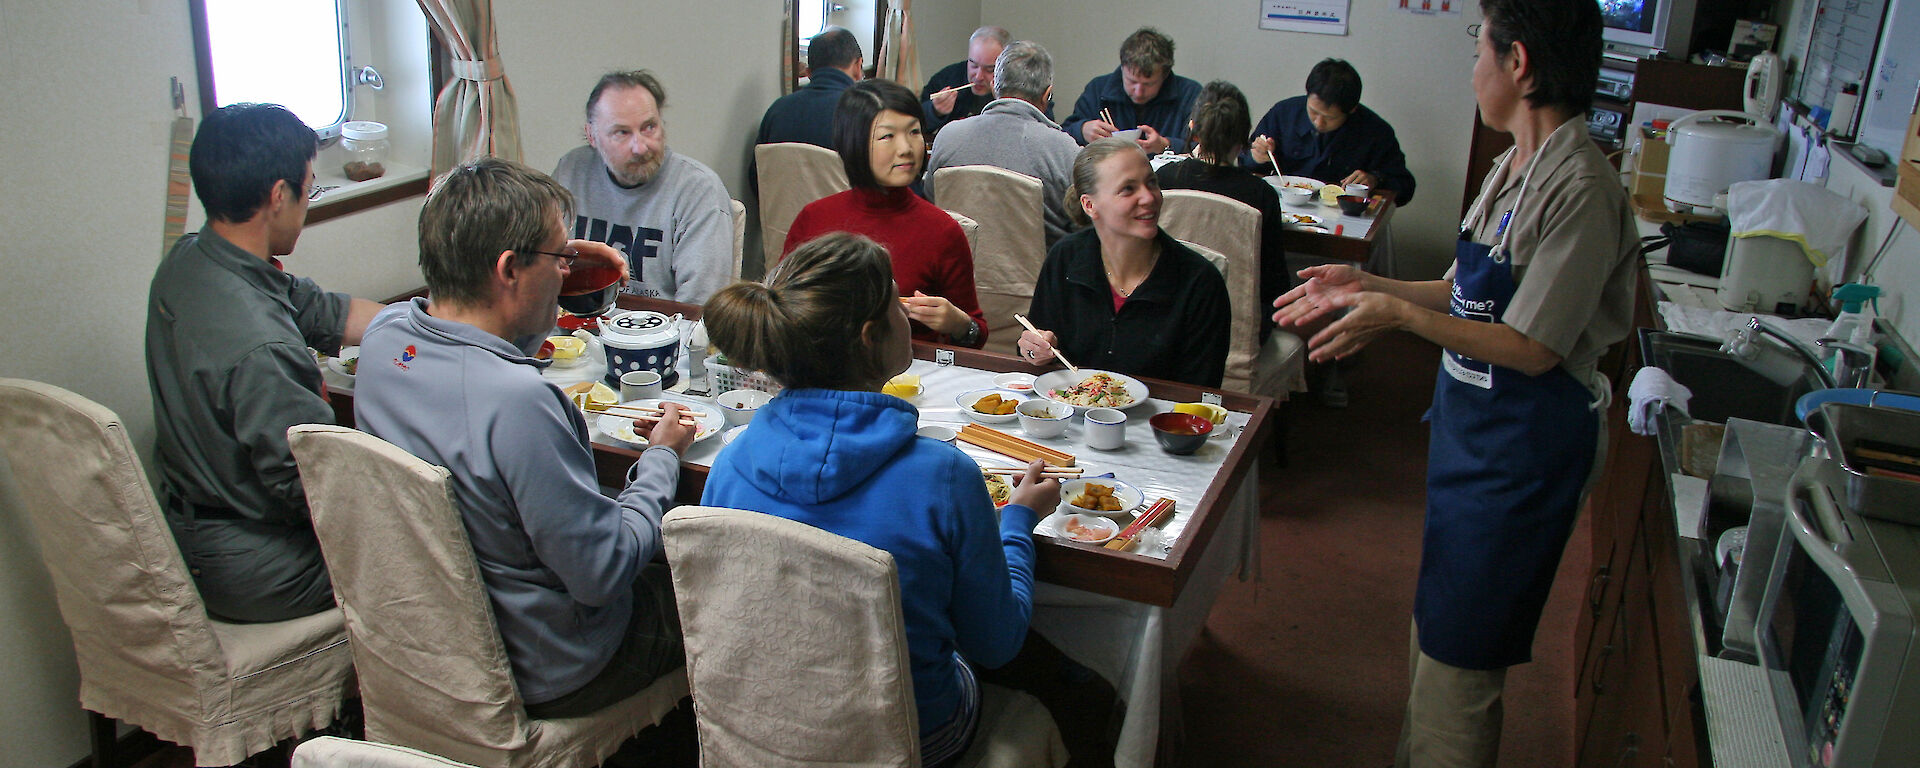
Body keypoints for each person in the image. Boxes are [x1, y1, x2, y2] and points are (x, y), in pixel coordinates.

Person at [1270, 2, 1636, 764]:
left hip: (1523, 451)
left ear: (1519, 63)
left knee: (1464, 660)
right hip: (1474, 435)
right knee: (1438, 636)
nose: (1474, 69)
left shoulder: (1582, 188)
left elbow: (1532, 345)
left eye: (1481, 49)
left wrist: (1395, 319)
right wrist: (1369, 283)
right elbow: (1464, 292)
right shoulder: (1512, 164)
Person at [701, 231, 1058, 768]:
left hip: (767, 728)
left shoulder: (731, 463)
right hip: (910, 740)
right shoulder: (945, 477)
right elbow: (998, 643)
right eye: (895, 300)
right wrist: (1017, 523)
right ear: (871, 336)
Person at [355, 157, 694, 719]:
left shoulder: (386, 340)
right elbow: (603, 572)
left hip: (430, 642)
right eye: (560, 258)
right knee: (710, 583)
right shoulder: (517, 402)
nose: (567, 271)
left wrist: (558, 255)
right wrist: (660, 459)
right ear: (509, 267)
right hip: (551, 665)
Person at [145, 103, 384, 623]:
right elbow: (317, 487)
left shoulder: (190, 259)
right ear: (279, 196)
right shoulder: (262, 349)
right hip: (259, 564)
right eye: (310, 188)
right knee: (445, 546)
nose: (308, 203)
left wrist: (434, 324)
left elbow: (317, 309)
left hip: (190, 529)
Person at [784, 79, 987, 348]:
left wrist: (959, 324)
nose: (906, 148)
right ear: (854, 142)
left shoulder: (942, 231)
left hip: (909, 376)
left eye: (914, 132)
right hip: (822, 368)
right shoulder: (814, 218)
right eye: (887, 136)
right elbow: (781, 307)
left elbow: (977, 334)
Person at [1018, 138, 1229, 387]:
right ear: (1089, 205)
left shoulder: (1199, 282)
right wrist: (1035, 351)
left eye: (1152, 182)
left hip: (1159, 422)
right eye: (1128, 189)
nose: (1149, 198)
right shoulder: (1066, 258)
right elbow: (1038, 350)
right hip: (1069, 414)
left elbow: (1200, 393)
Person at [553, 70, 734, 304]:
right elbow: (542, 269)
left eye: (649, 127)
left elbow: (699, 309)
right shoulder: (571, 170)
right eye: (622, 133)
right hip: (576, 332)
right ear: (592, 136)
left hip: (664, 334)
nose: (640, 147)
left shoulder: (699, 190)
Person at [1155, 80, 1290, 342]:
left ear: (1193, 127)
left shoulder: (1164, 179)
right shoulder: (1260, 194)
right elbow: (1276, 286)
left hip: (1168, 325)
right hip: (1236, 334)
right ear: (1245, 137)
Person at [928, 40, 1083, 246]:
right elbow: (1081, 222)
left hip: (957, 269)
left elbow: (932, 201)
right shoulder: (1064, 149)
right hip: (1040, 274)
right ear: (1047, 94)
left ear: (994, 87)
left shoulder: (948, 137)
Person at [1249, 58, 1417, 206]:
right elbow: (1244, 162)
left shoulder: (1375, 131)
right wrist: (1257, 157)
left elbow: (1405, 188)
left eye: (1330, 117)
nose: (1318, 122)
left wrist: (1376, 179)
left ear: (1351, 110)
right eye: (1313, 112)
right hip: (1284, 208)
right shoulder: (1284, 113)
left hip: (1343, 215)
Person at [1060, 27, 1202, 155]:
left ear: (1165, 75)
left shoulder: (1190, 94)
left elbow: (1205, 147)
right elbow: (1061, 135)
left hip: (1170, 180)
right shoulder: (1098, 89)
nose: (1139, 92)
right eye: (1132, 81)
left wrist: (1166, 145)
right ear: (1122, 68)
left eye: (1149, 84)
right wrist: (1082, 130)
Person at [756, 26, 862, 150]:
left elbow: (758, 167)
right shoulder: (863, 114)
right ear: (857, 67)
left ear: (809, 73)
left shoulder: (776, 110)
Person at [919, 26, 1009, 141]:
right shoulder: (947, 78)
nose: (978, 76)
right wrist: (934, 111)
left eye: (990, 69)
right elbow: (915, 124)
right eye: (973, 65)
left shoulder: (1014, 87)